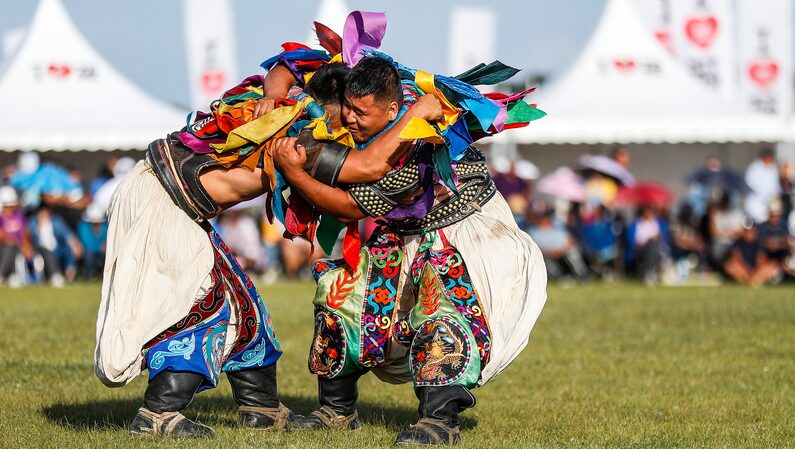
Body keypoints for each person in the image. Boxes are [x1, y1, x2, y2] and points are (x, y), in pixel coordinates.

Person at [94, 60, 442, 438]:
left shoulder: (274, 101)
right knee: (205, 309)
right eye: (349, 111)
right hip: (163, 202)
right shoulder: (300, 134)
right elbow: (370, 166)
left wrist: (274, 92)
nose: (352, 122)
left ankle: (260, 408)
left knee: (246, 307)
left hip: (167, 196)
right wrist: (419, 112)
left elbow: (285, 65)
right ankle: (157, 415)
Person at [273, 56, 547, 446]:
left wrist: (296, 173)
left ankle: (440, 421)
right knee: (341, 296)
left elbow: (349, 207)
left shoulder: (418, 138)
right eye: (347, 106)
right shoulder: (400, 92)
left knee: (444, 308)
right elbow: (291, 66)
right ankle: (336, 410)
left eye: (360, 111)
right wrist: (273, 95)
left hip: (466, 235)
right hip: (403, 235)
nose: (349, 117)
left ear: (390, 108)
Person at [0, 186, 33, 287]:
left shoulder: (19, 216)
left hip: (17, 246)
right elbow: (2, 236)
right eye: (7, 206)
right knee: (9, 248)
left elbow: (24, 232)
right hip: (4, 247)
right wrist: (15, 242)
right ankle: (2, 275)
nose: (11, 208)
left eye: (12, 206)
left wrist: (26, 244)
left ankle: (16, 275)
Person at [744, 149, 780, 224]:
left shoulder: (773, 168)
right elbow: (751, 186)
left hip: (769, 204)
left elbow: (775, 186)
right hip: (755, 203)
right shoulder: (754, 168)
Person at [76, 204, 107, 280]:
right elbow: (87, 244)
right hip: (88, 253)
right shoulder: (83, 227)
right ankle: (88, 275)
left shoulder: (106, 227)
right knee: (89, 256)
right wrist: (101, 246)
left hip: (102, 254)